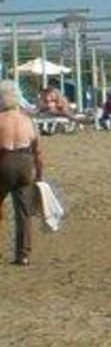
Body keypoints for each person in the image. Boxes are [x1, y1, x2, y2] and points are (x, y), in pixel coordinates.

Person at [0, 82, 44, 266]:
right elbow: (37, 151)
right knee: (23, 212)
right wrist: (39, 174)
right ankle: (23, 254)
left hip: (4, 161)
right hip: (25, 162)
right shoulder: (28, 121)